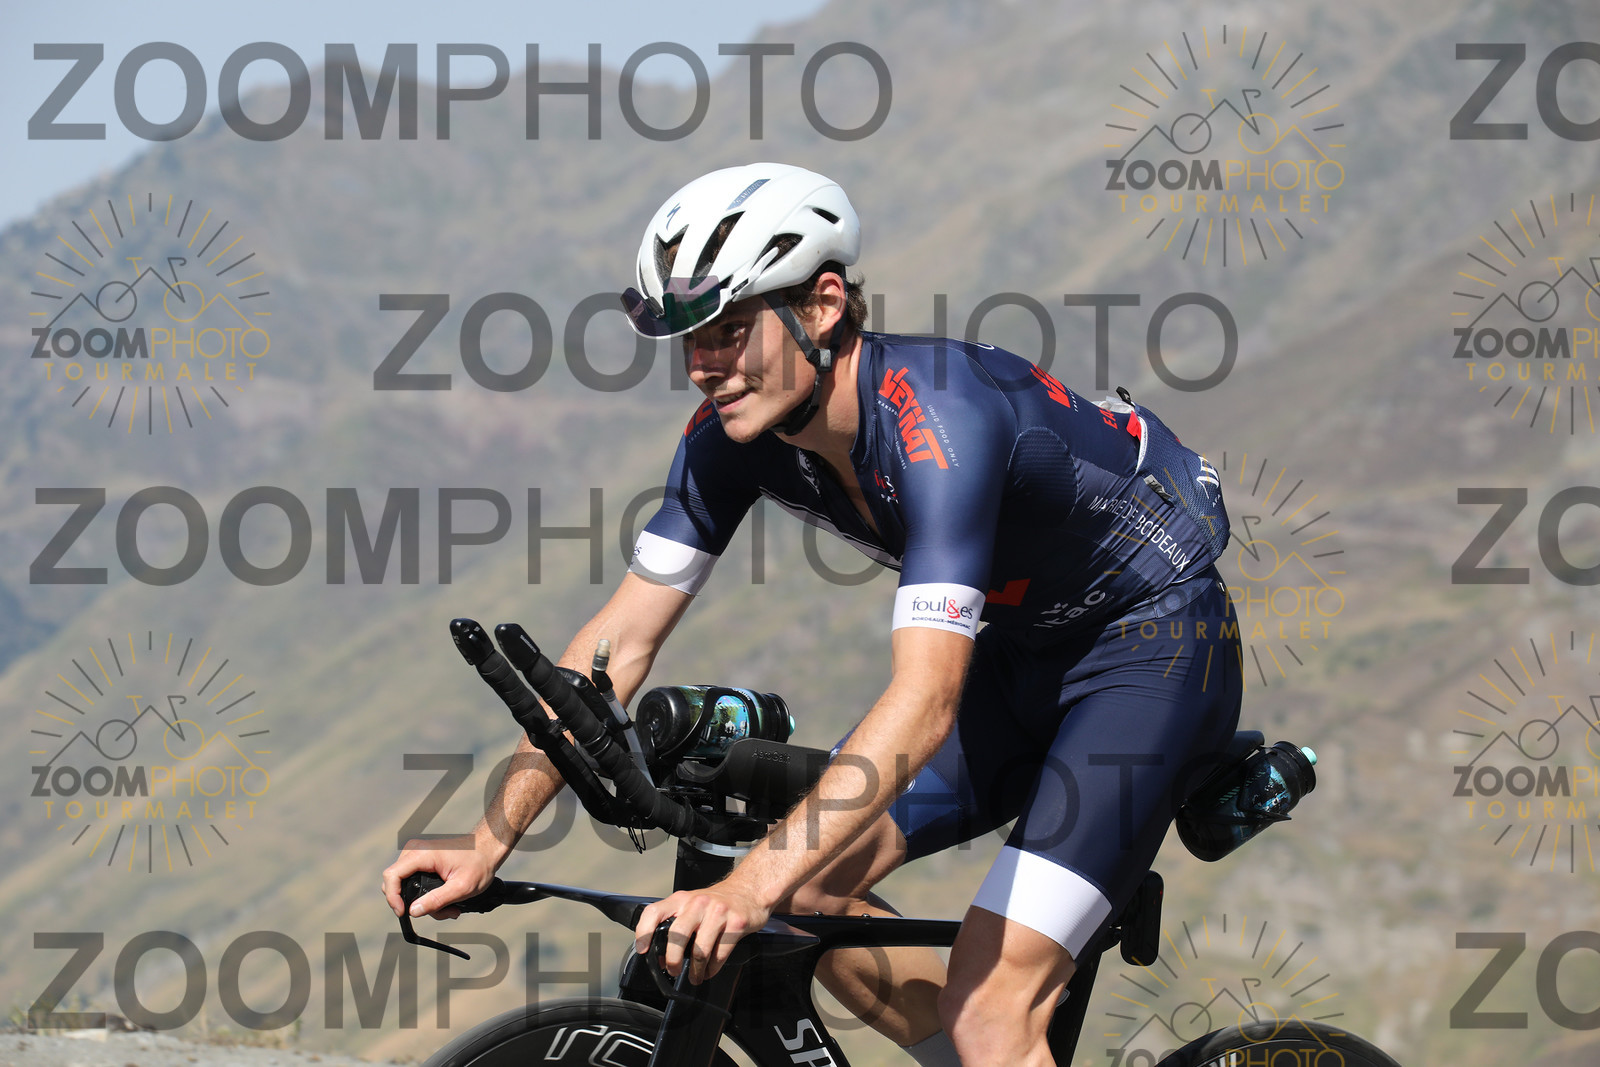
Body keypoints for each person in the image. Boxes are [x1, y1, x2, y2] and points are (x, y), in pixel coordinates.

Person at [383, 162, 1242, 1067]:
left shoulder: (943, 419)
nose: (703, 366)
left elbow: (926, 698)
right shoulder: (730, 440)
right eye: (689, 338)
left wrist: (744, 887)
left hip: (1154, 657)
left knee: (990, 1011)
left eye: (729, 330)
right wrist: (488, 839)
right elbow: (617, 643)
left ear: (824, 305)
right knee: (807, 896)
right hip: (1028, 654)